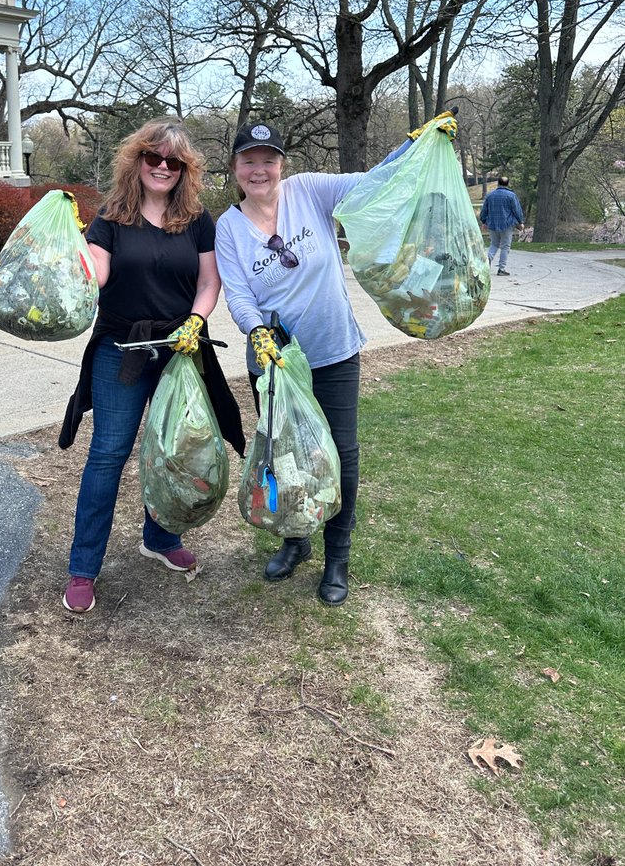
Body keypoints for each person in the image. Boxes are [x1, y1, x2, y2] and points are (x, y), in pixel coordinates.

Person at [214, 113, 457, 606]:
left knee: (341, 456)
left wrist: (416, 146)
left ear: (281, 164)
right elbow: (238, 295)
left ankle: (337, 558)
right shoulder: (228, 227)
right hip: (276, 363)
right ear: (236, 168)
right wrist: (257, 332)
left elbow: (372, 185)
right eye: (248, 161)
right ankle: (296, 539)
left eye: (268, 160)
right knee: (286, 458)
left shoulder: (311, 191)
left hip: (333, 352)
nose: (258, 170)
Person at [58, 118, 244, 614]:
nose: (162, 167)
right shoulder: (112, 217)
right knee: (108, 455)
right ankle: (83, 567)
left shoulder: (198, 220)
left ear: (186, 170)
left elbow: (209, 284)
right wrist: (73, 248)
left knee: (175, 450)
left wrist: (195, 321)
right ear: (137, 160)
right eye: (153, 157)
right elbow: (97, 275)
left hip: (179, 349)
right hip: (121, 350)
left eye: (173, 162)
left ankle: (160, 538)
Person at [479, 175, 525, 276]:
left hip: (493, 224)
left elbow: (484, 211)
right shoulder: (511, 195)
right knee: (505, 246)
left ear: (498, 183)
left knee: (494, 244)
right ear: (507, 184)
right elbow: (516, 210)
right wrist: (520, 222)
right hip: (506, 224)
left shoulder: (490, 195)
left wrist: (484, 221)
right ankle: (501, 269)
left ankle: (488, 261)